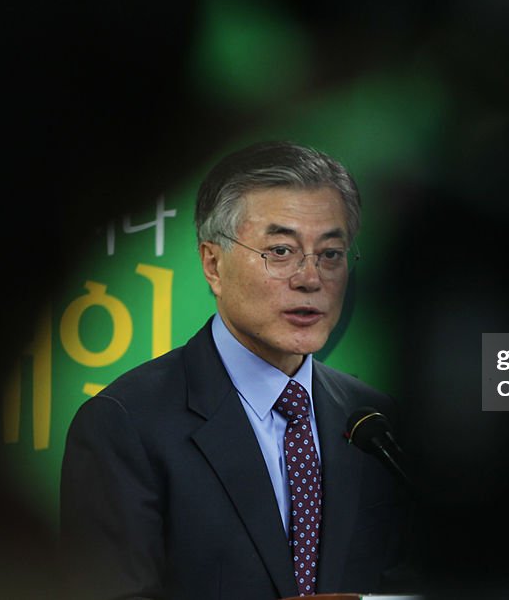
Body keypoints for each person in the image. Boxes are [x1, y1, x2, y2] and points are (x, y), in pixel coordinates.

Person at [59, 142, 407, 599]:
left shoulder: (378, 423)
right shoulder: (124, 426)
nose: (310, 278)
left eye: (331, 254)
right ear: (212, 263)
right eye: (281, 250)